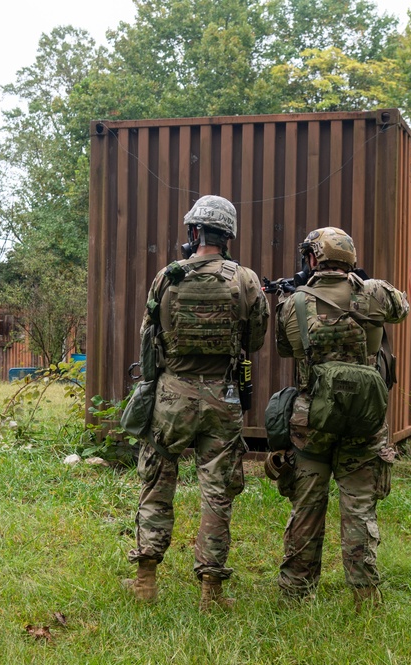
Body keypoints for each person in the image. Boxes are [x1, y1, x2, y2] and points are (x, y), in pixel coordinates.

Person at [127, 195, 269, 611]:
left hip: (172, 396)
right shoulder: (244, 279)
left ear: (194, 233)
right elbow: (256, 339)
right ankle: (211, 591)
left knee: (157, 483)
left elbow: (148, 335)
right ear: (227, 236)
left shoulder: (167, 277)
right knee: (217, 492)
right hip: (222, 398)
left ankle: (145, 579)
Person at [273, 226, 409, 610]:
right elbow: (403, 308)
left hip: (312, 421)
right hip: (363, 423)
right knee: (359, 510)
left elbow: (286, 350)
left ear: (313, 259)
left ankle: (296, 595)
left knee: (307, 509)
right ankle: (365, 596)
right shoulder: (376, 293)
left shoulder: (292, 302)